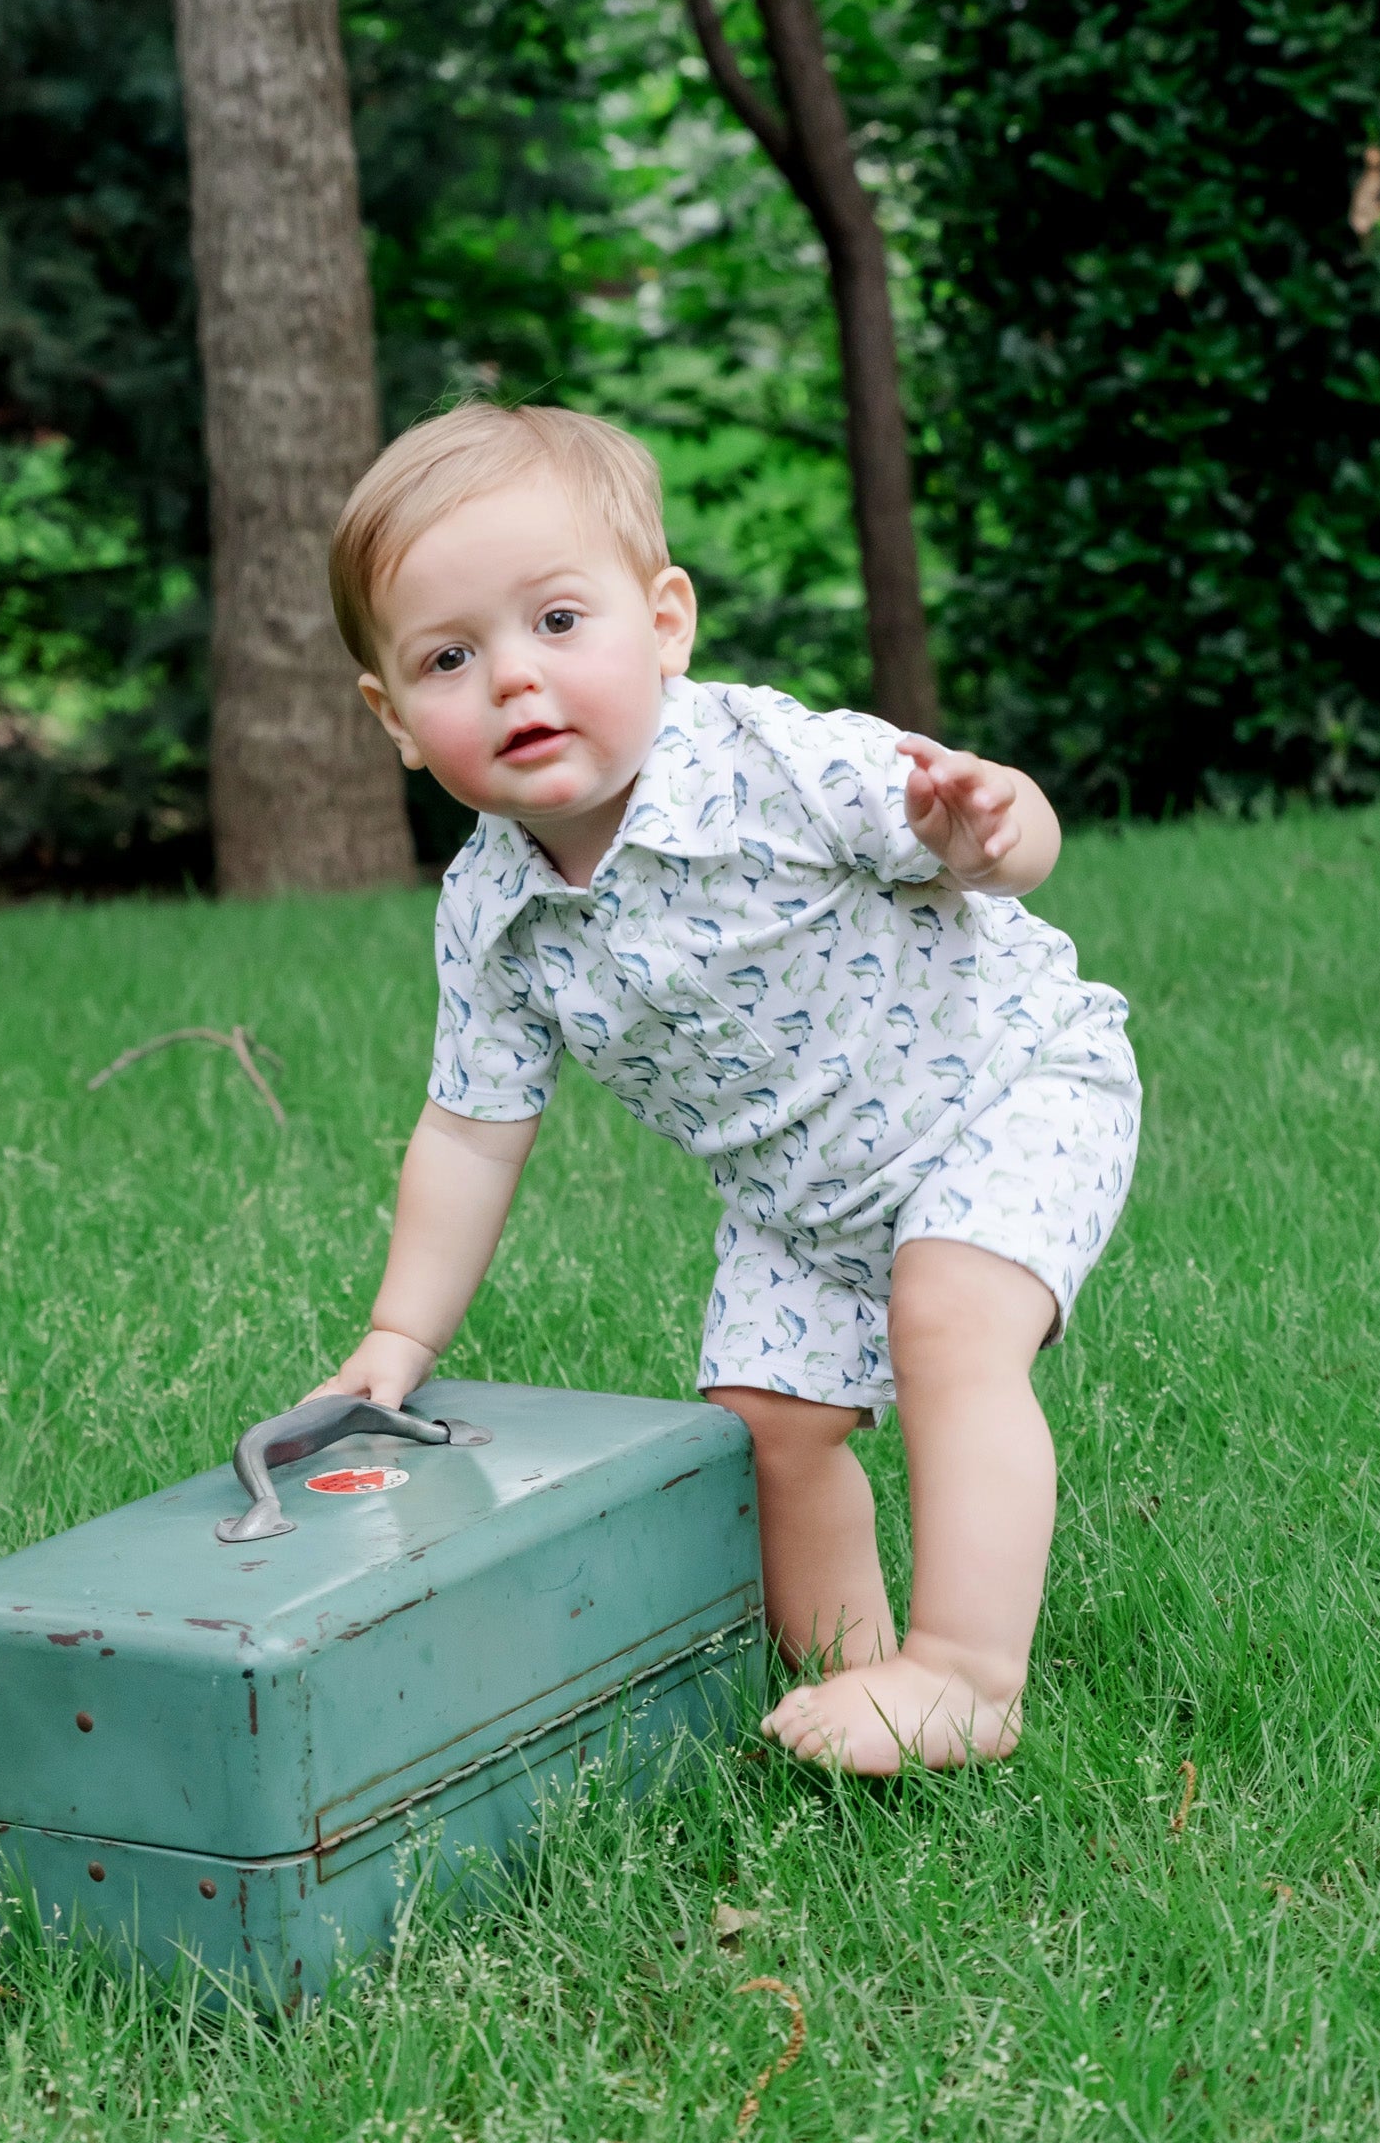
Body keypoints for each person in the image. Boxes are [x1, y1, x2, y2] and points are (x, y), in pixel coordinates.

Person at [304, 402, 1140, 1772]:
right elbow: (468, 1132)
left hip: (1004, 1091)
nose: (516, 679)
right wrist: (397, 1343)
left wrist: (994, 829)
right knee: (766, 1427)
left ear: (666, 622)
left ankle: (968, 1676)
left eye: (559, 622)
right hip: (796, 1205)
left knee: (947, 1323)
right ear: (396, 720)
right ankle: (849, 1687)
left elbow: (994, 838)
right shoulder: (493, 910)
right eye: (452, 656)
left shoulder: (774, 761)